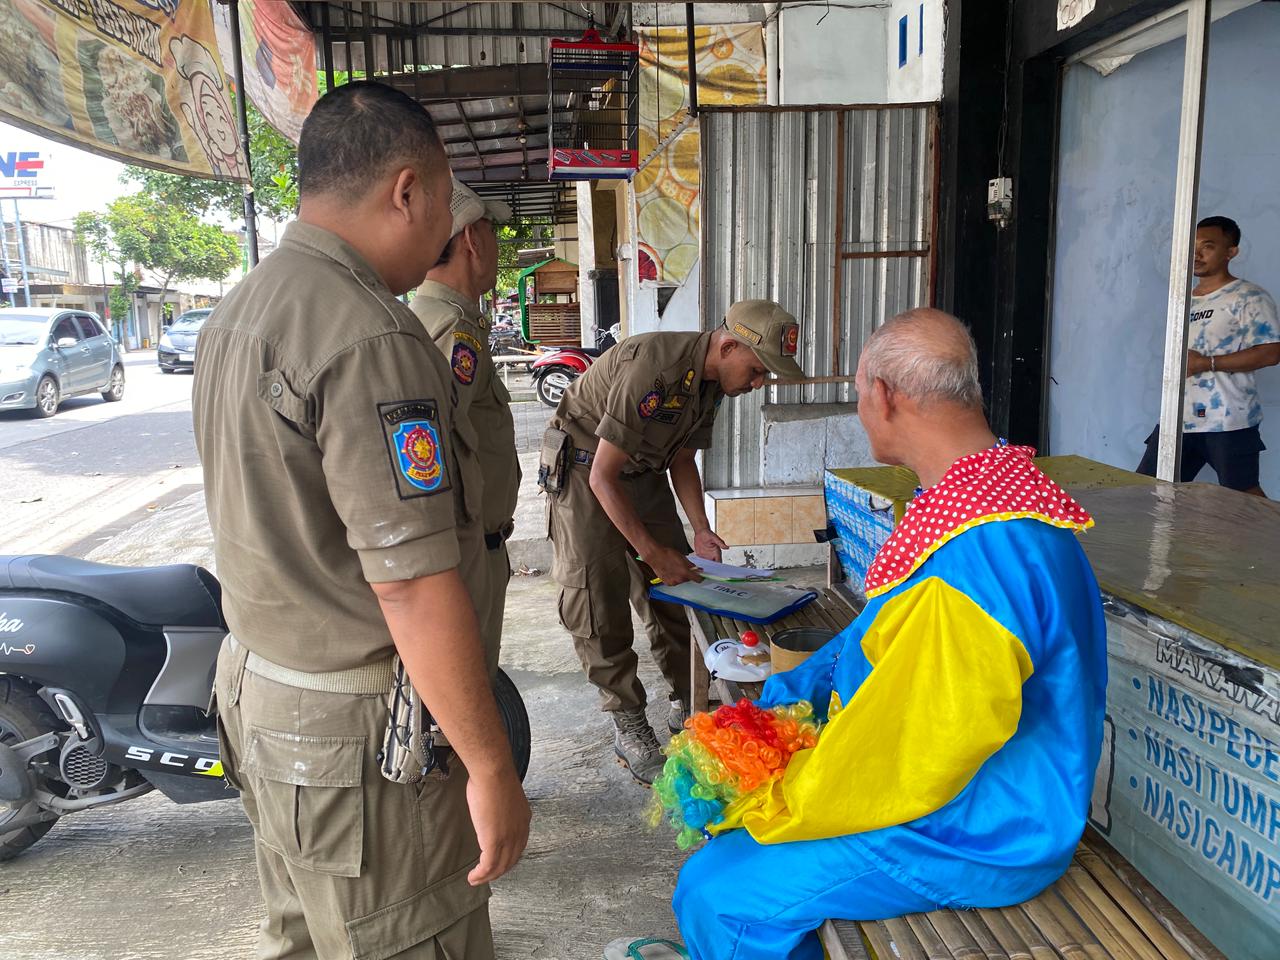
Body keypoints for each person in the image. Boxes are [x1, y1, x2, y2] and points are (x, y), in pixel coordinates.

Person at [192, 81, 529, 959]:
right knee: (410, 938)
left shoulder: (242, 307)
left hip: (263, 698)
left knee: (305, 939)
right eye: (447, 202)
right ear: (407, 190)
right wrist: (491, 766)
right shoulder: (370, 334)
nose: (447, 229)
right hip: (357, 739)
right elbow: (412, 582)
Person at [669, 309, 1106, 960]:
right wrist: (776, 705)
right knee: (729, 846)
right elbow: (873, 643)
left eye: (858, 398)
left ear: (882, 395)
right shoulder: (990, 495)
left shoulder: (976, 553)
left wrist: (782, 796)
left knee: (718, 892)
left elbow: (912, 754)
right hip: (970, 785)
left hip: (979, 822)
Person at [543, 300, 805, 784]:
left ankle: (688, 699)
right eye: (756, 370)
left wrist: (699, 529)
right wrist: (651, 549)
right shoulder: (655, 368)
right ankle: (628, 720)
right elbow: (603, 478)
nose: (757, 384)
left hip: (640, 474)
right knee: (598, 601)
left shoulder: (712, 384)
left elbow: (682, 459)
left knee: (677, 585)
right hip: (584, 471)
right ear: (728, 346)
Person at [411, 179, 520, 675]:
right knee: (470, 685)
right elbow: (433, 457)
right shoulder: (452, 332)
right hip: (465, 553)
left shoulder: (451, 321)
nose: (496, 245)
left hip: (474, 546)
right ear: (473, 239)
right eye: (492, 231)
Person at [1137, 216, 1280, 496]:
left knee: (1244, 498)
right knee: (1144, 491)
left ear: (1231, 252)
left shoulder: (1248, 296)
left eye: (1208, 246)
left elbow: (1271, 353)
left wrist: (1207, 363)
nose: (1196, 254)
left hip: (1228, 420)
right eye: (1193, 246)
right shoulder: (1183, 300)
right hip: (1178, 419)